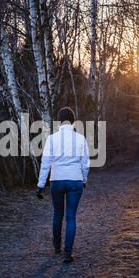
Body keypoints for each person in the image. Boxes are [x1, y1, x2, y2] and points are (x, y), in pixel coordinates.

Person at [35, 107, 90, 263]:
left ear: (59, 121)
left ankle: (57, 246)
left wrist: (40, 185)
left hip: (57, 181)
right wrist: (83, 180)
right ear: (73, 120)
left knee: (58, 215)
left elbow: (45, 163)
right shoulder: (80, 139)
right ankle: (68, 252)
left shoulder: (52, 139)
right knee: (71, 217)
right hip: (75, 181)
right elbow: (85, 163)